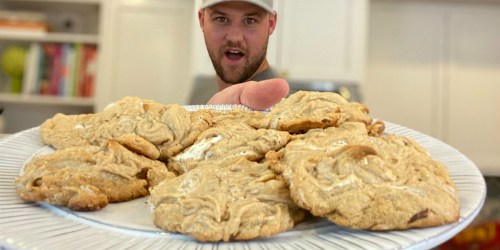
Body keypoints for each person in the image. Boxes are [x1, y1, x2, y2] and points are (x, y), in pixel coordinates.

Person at [198, 0, 289, 110]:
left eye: (250, 21)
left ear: (271, 24)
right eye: (221, 19)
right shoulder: (200, 90)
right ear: (202, 20)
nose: (234, 37)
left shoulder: (287, 114)